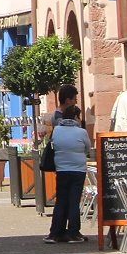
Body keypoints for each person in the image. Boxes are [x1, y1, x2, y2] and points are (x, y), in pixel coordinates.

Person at [44, 101, 93, 244]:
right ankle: (73, 232)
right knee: (74, 201)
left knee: (61, 201)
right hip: (78, 170)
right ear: (76, 117)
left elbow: (53, 145)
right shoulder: (81, 132)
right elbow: (87, 148)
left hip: (62, 169)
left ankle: (55, 232)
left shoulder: (57, 130)